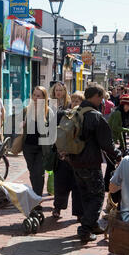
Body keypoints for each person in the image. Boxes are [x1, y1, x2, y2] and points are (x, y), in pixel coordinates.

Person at [64, 85, 121, 242]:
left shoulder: (75, 112)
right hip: (90, 162)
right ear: (95, 96)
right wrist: (118, 154)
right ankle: (85, 229)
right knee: (97, 196)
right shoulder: (95, 116)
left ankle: (92, 223)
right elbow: (107, 143)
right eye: (100, 97)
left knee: (85, 195)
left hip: (74, 161)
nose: (102, 101)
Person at [52, 90, 84, 221]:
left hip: (77, 157)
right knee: (61, 185)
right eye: (74, 101)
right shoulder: (63, 115)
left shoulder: (84, 117)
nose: (75, 103)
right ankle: (57, 208)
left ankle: (79, 213)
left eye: (78, 101)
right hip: (63, 157)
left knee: (78, 187)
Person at [21, 86, 53, 203]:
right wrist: (22, 125)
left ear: (44, 98)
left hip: (42, 149)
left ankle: (37, 199)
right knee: (32, 172)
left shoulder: (49, 111)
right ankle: (36, 196)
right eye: (34, 95)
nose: (35, 98)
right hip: (28, 147)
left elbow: (52, 131)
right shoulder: (26, 110)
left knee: (38, 173)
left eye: (38, 96)